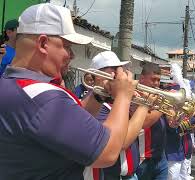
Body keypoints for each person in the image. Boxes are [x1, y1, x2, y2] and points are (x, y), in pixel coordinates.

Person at [0, 4, 136, 179]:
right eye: (67, 46)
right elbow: (108, 153)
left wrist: (98, 96)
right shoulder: (43, 98)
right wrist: (124, 97)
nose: (71, 55)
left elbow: (67, 121)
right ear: (42, 44)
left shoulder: (11, 84)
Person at [87, 51, 155, 180]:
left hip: (130, 174)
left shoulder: (116, 102)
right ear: (96, 76)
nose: (121, 73)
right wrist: (144, 105)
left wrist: (135, 104)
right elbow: (122, 142)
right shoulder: (97, 105)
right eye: (114, 69)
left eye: (121, 69)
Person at [136, 63, 169, 180]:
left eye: (158, 80)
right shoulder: (135, 96)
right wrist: (162, 107)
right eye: (153, 79)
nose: (156, 83)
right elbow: (144, 122)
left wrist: (176, 117)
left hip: (161, 156)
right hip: (143, 158)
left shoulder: (158, 96)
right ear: (142, 78)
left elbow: (171, 123)